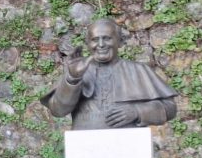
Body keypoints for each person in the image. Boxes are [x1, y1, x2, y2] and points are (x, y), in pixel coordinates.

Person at [41, 18, 177, 130]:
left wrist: (137, 111)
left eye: (107, 38)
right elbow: (58, 111)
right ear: (88, 43)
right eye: (95, 40)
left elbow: (170, 109)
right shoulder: (76, 71)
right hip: (86, 148)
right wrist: (73, 79)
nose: (101, 44)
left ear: (119, 41)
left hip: (128, 146)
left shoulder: (139, 70)